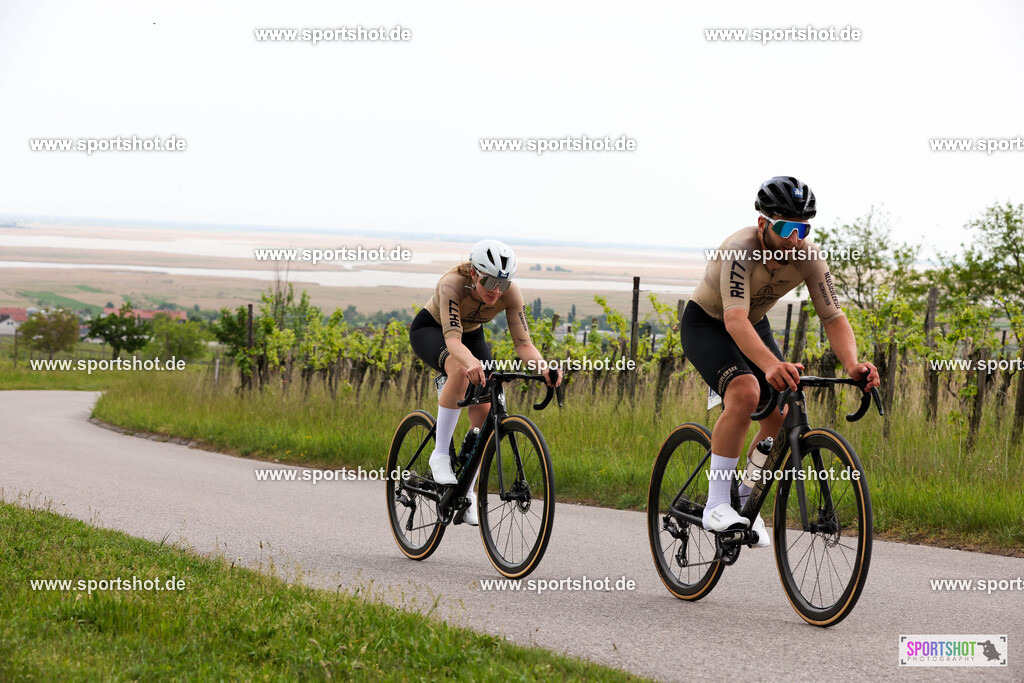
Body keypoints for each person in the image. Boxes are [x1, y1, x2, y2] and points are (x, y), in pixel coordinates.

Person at [681, 176, 880, 547]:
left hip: (752, 324)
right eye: (787, 227)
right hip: (708, 324)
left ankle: (742, 497)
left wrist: (852, 364)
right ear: (763, 224)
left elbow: (834, 318)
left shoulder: (807, 255)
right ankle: (716, 504)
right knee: (744, 391)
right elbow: (733, 319)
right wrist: (770, 365)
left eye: (802, 228)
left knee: (781, 414)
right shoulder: (740, 250)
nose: (795, 238)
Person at [409, 239, 562, 525]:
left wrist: (544, 368)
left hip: (472, 334)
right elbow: (453, 340)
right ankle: (440, 454)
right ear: (475, 274)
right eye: (490, 281)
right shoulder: (452, 284)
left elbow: (524, 345)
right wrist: (469, 363)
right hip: (432, 330)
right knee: (458, 370)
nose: (496, 290)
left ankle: (466, 490)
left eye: (502, 285)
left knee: (486, 403)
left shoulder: (510, 292)